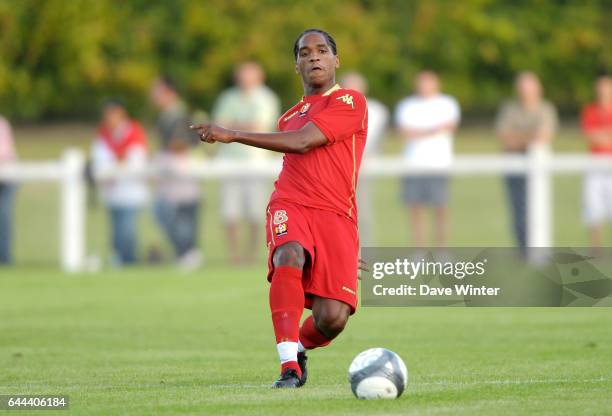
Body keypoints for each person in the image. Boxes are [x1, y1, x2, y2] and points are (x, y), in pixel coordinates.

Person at [191, 29, 368, 388]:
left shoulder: (349, 101)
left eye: (322, 51)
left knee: (332, 318)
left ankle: (299, 346)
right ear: (296, 65)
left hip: (336, 215)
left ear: (336, 61)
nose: (314, 57)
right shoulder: (288, 116)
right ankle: (289, 365)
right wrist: (233, 134)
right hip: (291, 202)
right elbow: (297, 145)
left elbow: (304, 143)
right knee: (288, 255)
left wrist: (233, 133)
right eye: (305, 53)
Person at [212, 62, 280, 264]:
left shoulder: (266, 98)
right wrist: (240, 127)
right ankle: (234, 256)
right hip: (229, 161)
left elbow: (259, 126)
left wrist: (231, 128)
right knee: (230, 212)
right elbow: (219, 124)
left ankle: (251, 254)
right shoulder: (228, 97)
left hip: (255, 162)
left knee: (256, 212)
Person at [395, 71, 460, 247]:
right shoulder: (407, 105)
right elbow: (405, 132)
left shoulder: (447, 103)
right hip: (413, 164)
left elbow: (450, 127)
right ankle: (420, 250)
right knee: (415, 210)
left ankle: (442, 250)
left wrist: (421, 131)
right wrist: (432, 130)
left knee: (441, 209)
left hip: (439, 164)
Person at [495, 71, 558, 248]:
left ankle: (538, 248)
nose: (525, 91)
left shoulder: (545, 109)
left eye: (529, 87)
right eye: (522, 87)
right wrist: (530, 138)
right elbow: (505, 137)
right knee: (517, 208)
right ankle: (522, 248)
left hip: (538, 168)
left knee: (538, 208)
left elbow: (544, 136)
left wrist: (519, 138)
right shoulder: (509, 109)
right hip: (513, 166)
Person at [150, 76, 203, 269]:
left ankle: (188, 252)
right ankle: (185, 252)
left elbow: (184, 142)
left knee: (181, 213)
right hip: (170, 169)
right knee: (165, 211)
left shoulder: (179, 114)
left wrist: (168, 150)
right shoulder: (166, 114)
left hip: (181, 168)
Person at [91, 100, 149, 265]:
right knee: (116, 231)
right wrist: (118, 160)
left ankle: (130, 261)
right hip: (112, 191)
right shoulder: (104, 134)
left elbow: (136, 159)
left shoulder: (134, 131)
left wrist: (114, 162)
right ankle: (119, 260)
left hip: (131, 191)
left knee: (127, 231)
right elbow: (100, 160)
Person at [341, 72, 389, 246]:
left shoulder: (376, 110)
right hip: (339, 169)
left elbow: (378, 142)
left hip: (362, 169)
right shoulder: (334, 109)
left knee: (362, 210)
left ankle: (364, 249)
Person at [581, 74, 612, 247]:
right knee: (593, 210)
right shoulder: (590, 111)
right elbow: (591, 136)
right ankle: (596, 249)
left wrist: (603, 135)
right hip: (595, 166)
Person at [0, 115, 16, 265]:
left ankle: (4, 257)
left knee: (3, 218)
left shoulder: (2, 124)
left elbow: (4, 153)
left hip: (5, 181)